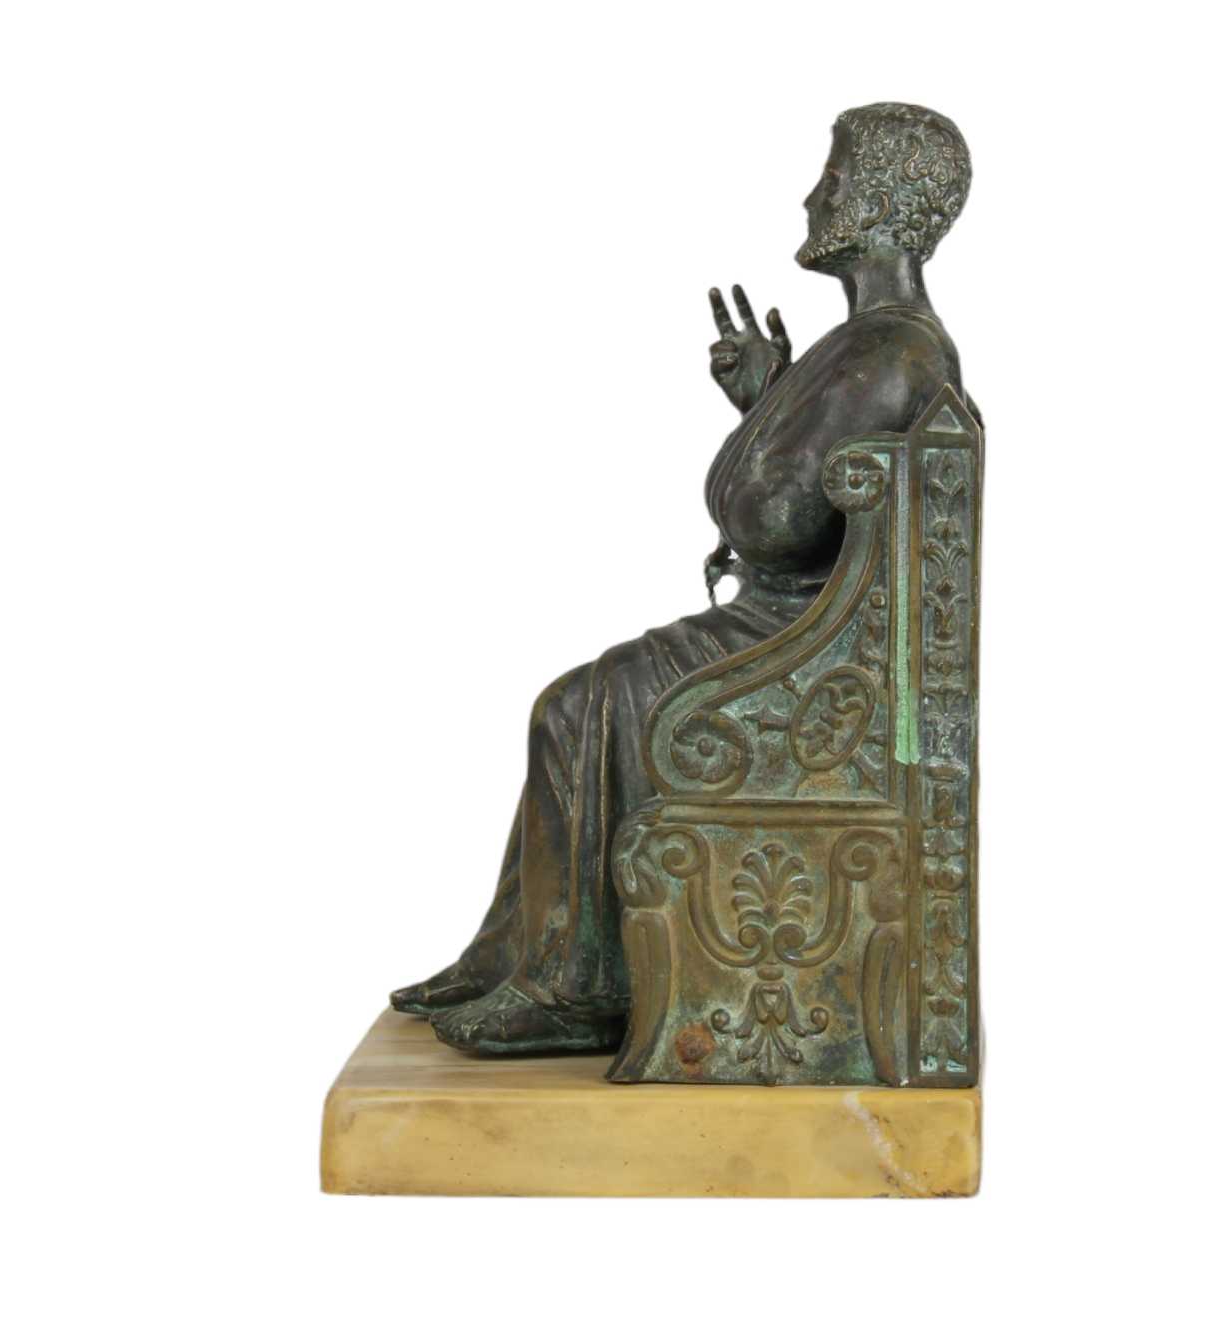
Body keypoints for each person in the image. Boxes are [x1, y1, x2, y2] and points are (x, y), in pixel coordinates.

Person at [393, 103, 975, 1053]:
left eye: (831, 179)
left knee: (576, 708)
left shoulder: (895, 350)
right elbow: (796, 494)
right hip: (790, 622)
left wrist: (767, 432)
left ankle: (570, 985)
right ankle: (515, 952)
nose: (812, 198)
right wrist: (770, 402)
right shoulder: (872, 345)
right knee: (574, 705)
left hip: (801, 643)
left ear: (877, 202)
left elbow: (774, 522)